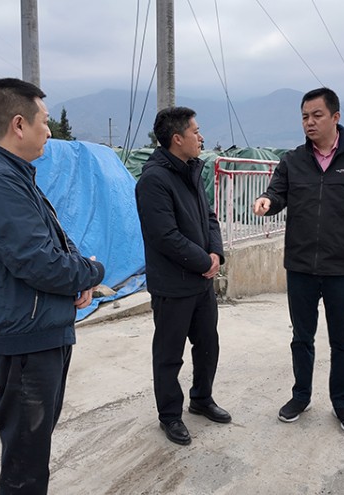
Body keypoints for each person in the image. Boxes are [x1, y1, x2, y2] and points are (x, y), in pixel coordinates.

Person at [0, 78, 105, 494]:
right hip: (23, 338)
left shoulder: (13, 175)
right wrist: (93, 272)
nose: (49, 132)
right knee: (25, 460)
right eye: (44, 122)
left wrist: (78, 271)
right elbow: (38, 262)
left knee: (32, 448)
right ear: (19, 125)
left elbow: (52, 237)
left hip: (35, 329)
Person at [253, 87, 344, 434]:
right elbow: (277, 192)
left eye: (317, 115)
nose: (309, 122)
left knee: (342, 341)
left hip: (342, 267)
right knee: (301, 337)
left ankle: (342, 403)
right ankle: (301, 396)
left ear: (335, 117)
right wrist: (267, 201)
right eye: (305, 117)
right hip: (301, 267)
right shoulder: (292, 160)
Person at [135, 106, 231, 446]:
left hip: (201, 281)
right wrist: (204, 261)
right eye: (195, 131)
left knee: (208, 345)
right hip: (173, 285)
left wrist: (215, 253)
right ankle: (170, 415)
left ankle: (202, 399)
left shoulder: (190, 170)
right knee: (169, 354)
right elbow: (164, 236)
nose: (201, 137)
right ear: (177, 139)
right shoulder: (154, 180)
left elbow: (209, 217)